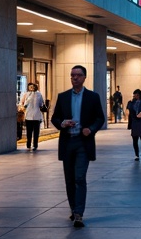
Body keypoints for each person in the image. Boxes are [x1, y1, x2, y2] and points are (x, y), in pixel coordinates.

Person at [51, 65, 106, 228]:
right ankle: (74, 208)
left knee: (79, 177)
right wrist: (62, 123)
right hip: (68, 142)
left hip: (83, 142)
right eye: (72, 75)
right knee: (69, 179)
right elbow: (55, 118)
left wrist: (92, 129)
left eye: (78, 75)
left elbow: (100, 118)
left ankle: (79, 213)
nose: (74, 78)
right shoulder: (63, 97)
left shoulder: (92, 97)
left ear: (84, 77)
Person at [20, 82, 45, 150]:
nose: (31, 88)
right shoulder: (26, 94)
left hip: (36, 116)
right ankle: (28, 145)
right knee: (29, 131)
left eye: (33, 87)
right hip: (28, 115)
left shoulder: (39, 94)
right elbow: (22, 103)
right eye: (30, 87)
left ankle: (35, 145)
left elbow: (41, 104)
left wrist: (42, 106)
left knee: (36, 132)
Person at [127, 89, 141, 159]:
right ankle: (137, 154)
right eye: (133, 95)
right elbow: (128, 111)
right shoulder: (131, 103)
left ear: (139, 95)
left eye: (135, 95)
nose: (134, 96)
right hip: (134, 122)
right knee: (135, 139)